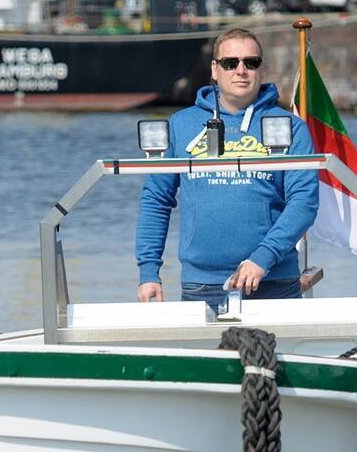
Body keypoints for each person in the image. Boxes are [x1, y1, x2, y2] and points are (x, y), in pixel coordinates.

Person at [135, 28, 318, 311]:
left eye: (251, 62)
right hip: (201, 286)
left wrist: (262, 259)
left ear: (261, 68)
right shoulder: (181, 125)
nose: (241, 70)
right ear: (215, 69)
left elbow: (304, 202)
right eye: (230, 63)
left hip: (274, 282)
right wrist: (149, 273)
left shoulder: (291, 127)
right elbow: (155, 202)